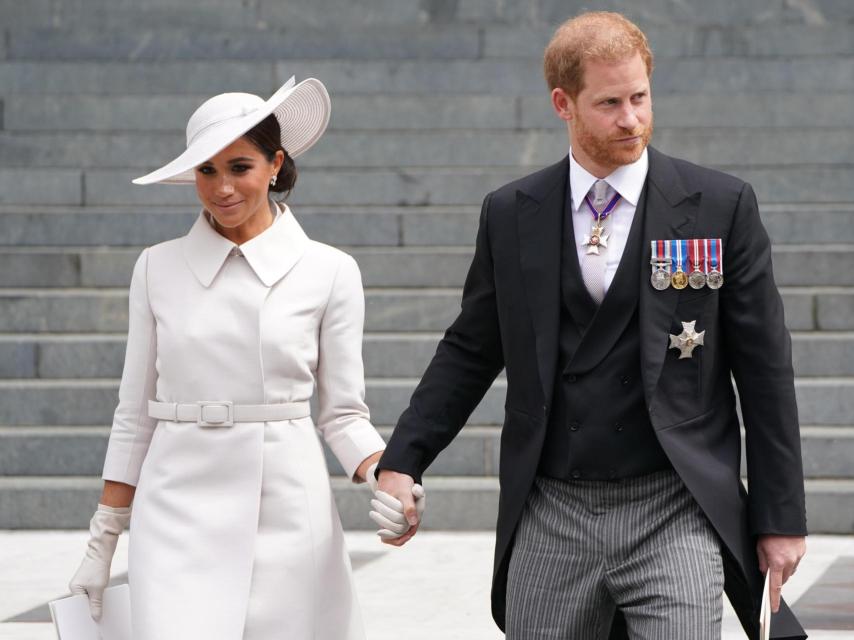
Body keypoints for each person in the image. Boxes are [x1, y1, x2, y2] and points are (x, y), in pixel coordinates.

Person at [376, 12, 808, 640]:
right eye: (609, 103)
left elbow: (766, 368)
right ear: (563, 103)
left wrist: (781, 517)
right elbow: (471, 348)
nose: (631, 118)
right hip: (552, 506)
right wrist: (403, 459)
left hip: (674, 504)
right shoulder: (510, 212)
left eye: (640, 97)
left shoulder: (720, 205)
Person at [67, 77, 397, 640]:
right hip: (174, 508)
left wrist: (388, 476)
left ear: (275, 165)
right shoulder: (155, 268)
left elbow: (343, 414)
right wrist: (103, 540)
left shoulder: (330, 270)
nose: (221, 188)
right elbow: (134, 413)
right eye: (206, 171)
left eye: (239, 167)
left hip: (289, 512)